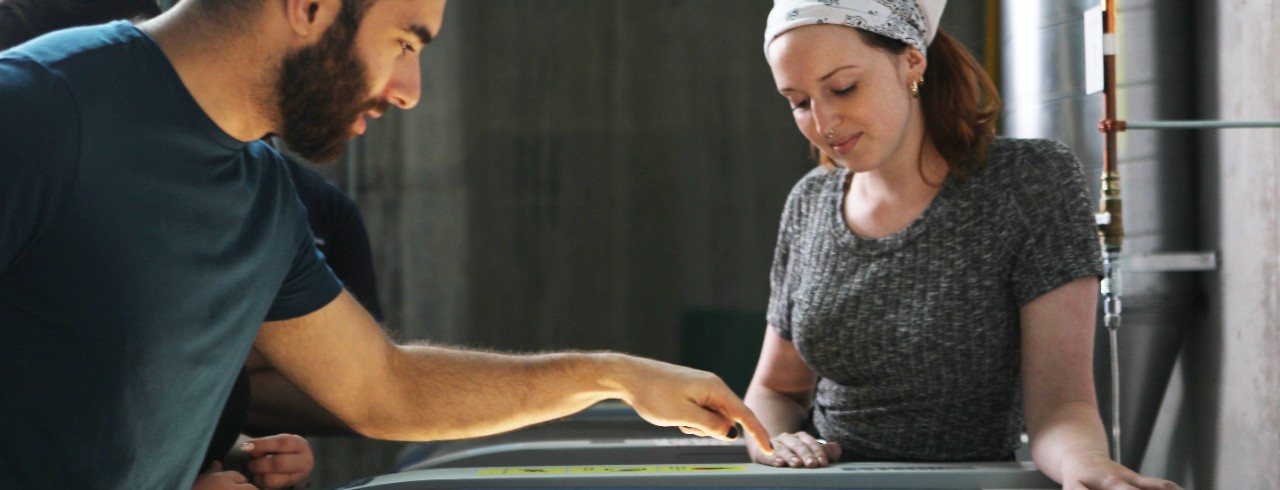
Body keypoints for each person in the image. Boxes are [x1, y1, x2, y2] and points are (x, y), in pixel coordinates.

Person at [0, 0, 774, 488]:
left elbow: (384, 387)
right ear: (307, 6)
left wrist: (612, 376)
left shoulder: (263, 193)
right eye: (405, 42)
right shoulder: (34, 113)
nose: (411, 90)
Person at [744, 1, 1179, 489]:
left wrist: (1088, 467)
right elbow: (776, 388)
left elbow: (1062, 405)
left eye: (843, 88)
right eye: (799, 102)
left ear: (912, 61)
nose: (823, 123)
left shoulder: (1027, 182)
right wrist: (775, 440)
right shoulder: (809, 203)